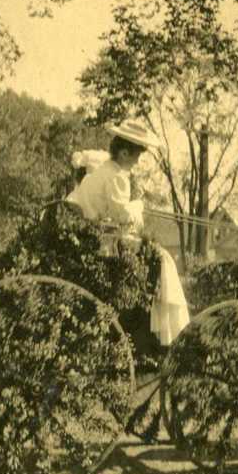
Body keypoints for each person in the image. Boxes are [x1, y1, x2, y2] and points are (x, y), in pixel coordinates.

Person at [67, 120, 190, 346]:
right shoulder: (116, 176)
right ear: (124, 153)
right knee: (163, 259)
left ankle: (161, 329)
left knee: (160, 256)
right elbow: (122, 214)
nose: (136, 162)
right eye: (136, 157)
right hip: (103, 241)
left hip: (95, 234)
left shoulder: (104, 168)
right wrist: (139, 205)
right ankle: (166, 332)